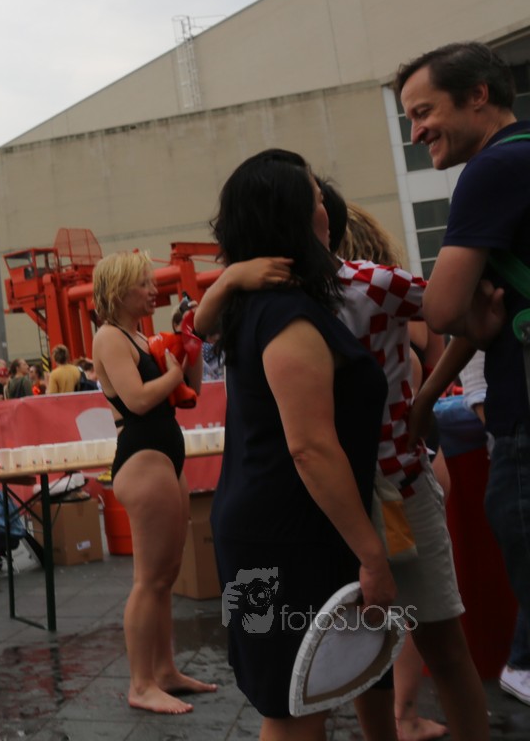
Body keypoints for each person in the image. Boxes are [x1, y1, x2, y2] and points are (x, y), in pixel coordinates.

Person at [200, 183, 488, 741]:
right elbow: (201, 329)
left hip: (379, 489)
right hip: (329, 500)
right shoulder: (270, 299)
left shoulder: (360, 285)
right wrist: (232, 279)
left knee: (415, 648)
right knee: (348, 667)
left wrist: (425, 399)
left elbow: (465, 310)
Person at [209, 149, 390, 738]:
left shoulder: (262, 306)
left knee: (302, 704)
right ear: (288, 216)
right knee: (295, 714)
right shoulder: (286, 317)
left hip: (285, 531)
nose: (327, 209)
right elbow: (310, 447)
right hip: (285, 540)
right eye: (314, 198)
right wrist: (372, 555)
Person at [398, 43, 530, 708]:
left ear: (478, 95)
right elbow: (482, 316)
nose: (415, 131)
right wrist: (426, 397)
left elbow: (447, 309)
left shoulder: (491, 170)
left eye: (424, 112)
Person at [91, 251, 211, 715]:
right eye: (143, 283)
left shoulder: (143, 337)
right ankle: (141, 684)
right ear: (119, 290)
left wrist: (191, 348)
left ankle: (164, 671)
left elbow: (188, 393)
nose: (152, 289)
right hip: (142, 457)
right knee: (148, 579)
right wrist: (174, 372)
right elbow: (139, 399)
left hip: (164, 454)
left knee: (165, 575)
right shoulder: (109, 337)